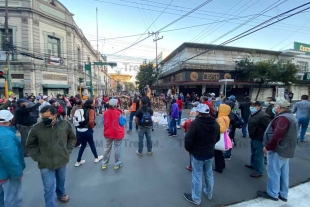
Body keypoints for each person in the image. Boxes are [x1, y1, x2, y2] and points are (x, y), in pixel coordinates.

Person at [26, 105, 76, 206]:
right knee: (48, 187)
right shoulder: (37, 128)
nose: (44, 119)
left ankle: (61, 193)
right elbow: (31, 144)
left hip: (62, 160)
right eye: (42, 117)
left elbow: (72, 138)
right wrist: (37, 157)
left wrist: (68, 150)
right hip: (45, 162)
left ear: (55, 115)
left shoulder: (65, 124)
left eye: (47, 117)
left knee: (61, 179)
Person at [257, 100, 298, 202]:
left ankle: (273, 193)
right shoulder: (291, 117)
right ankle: (283, 194)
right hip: (286, 150)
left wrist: (268, 147)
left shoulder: (283, 118)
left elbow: (277, 135)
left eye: (275, 106)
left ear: (279, 107)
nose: (273, 108)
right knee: (284, 172)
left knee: (274, 172)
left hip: (278, 150)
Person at [183, 103, 220, 205]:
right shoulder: (215, 123)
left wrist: (189, 149)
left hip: (198, 154)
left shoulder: (195, 124)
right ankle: (209, 193)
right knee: (208, 174)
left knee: (197, 176)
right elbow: (217, 138)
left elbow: (188, 139)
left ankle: (196, 198)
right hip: (210, 153)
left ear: (199, 112)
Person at [0, 110, 25, 207]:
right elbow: (9, 156)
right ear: (10, 120)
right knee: (13, 200)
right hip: (7, 174)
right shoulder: (6, 135)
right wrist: (17, 174)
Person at [245, 101, 270, 178]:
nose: (251, 108)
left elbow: (268, 128)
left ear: (258, 107)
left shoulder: (263, 116)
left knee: (259, 155)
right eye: (251, 106)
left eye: (253, 106)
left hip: (259, 138)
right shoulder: (253, 114)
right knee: (253, 152)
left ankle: (259, 171)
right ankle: (253, 164)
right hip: (253, 136)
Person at [75, 99, 103, 167]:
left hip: (79, 129)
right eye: (93, 103)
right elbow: (91, 121)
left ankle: (78, 161)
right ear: (90, 104)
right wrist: (92, 127)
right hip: (87, 129)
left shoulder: (80, 110)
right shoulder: (91, 111)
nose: (94, 104)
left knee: (83, 145)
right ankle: (96, 158)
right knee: (91, 144)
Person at [102, 99, 126, 170]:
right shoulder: (119, 113)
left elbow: (104, 122)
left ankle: (104, 163)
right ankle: (116, 163)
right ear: (116, 105)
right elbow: (122, 123)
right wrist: (124, 116)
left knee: (107, 148)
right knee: (117, 149)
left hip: (108, 133)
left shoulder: (105, 112)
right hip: (117, 133)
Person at [213, 104, 231, 173]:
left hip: (219, 136)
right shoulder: (226, 117)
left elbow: (222, 129)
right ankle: (222, 164)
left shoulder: (220, 118)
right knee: (220, 153)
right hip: (224, 136)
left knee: (217, 153)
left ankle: (219, 167)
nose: (217, 109)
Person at [182, 104, 199, 172]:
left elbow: (183, 127)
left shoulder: (187, 121)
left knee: (191, 153)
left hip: (189, 137)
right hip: (197, 138)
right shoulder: (198, 122)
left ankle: (191, 166)